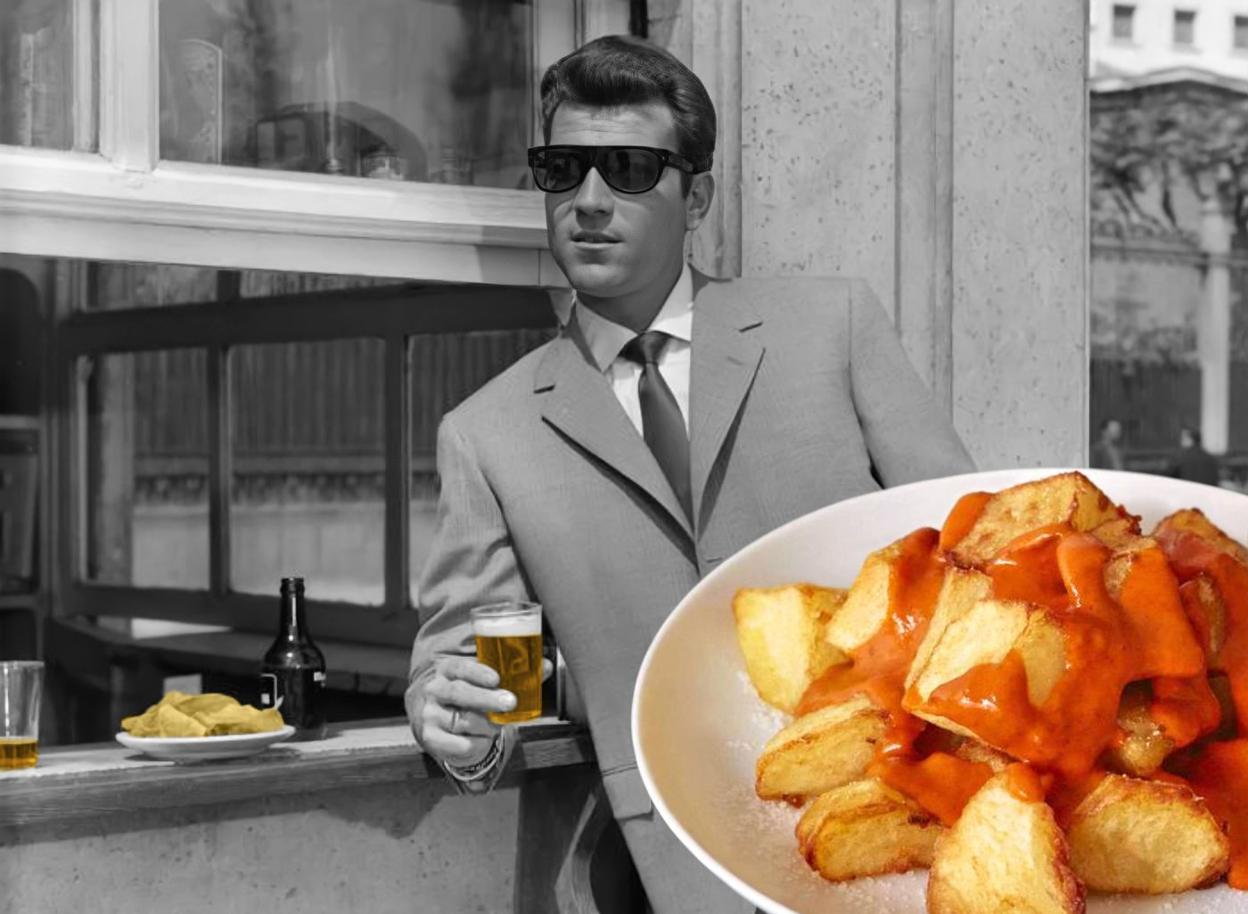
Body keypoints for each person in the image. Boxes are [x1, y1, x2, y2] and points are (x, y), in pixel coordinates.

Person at [405, 34, 974, 914]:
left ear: (695, 194)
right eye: (564, 170)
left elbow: (969, 551)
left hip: (906, 824)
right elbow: (479, 674)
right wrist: (457, 723)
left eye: (629, 169)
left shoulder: (832, 327)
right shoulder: (488, 433)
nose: (590, 201)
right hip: (675, 864)